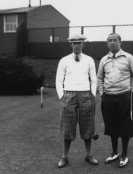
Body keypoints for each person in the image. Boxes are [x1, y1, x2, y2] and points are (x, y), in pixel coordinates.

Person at [97, 33, 133, 168]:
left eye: (114, 40)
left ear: (120, 42)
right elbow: (99, 78)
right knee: (111, 125)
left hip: (124, 97)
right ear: (107, 43)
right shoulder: (104, 60)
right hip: (108, 97)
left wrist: (132, 93)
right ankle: (115, 152)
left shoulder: (128, 57)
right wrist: (102, 93)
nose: (112, 43)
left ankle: (124, 155)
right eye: (109, 41)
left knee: (125, 126)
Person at [55, 34, 98, 168]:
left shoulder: (89, 60)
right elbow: (58, 80)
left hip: (86, 95)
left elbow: (94, 80)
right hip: (68, 96)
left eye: (79, 43)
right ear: (71, 45)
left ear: (83, 44)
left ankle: (89, 155)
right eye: (74, 43)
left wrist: (92, 94)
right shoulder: (64, 60)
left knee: (87, 127)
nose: (77, 45)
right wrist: (62, 96)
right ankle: (64, 157)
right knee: (67, 128)